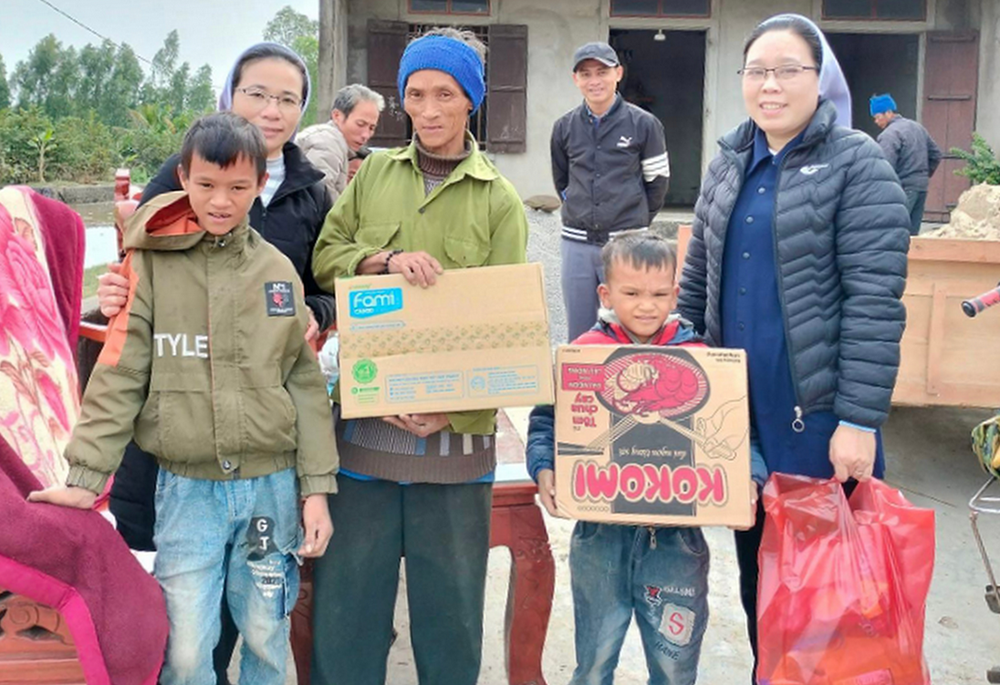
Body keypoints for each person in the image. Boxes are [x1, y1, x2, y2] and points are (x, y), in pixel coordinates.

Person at [29, 112, 339, 685]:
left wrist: (315, 491)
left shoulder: (277, 273)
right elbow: (120, 374)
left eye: (239, 187)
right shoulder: (149, 266)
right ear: (184, 177)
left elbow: (304, 385)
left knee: (268, 636)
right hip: (187, 494)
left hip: (270, 490)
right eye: (207, 185)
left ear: (259, 185)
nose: (221, 200)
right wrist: (85, 476)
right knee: (188, 646)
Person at [676, 14, 910, 683]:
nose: (769, 85)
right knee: (760, 576)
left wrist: (860, 421)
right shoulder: (728, 161)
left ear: (821, 78)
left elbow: (873, 301)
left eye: (788, 70)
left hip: (819, 419)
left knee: (830, 592)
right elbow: (697, 281)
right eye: (756, 71)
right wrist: (679, 365)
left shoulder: (857, 164)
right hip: (740, 415)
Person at [309, 27, 528, 685]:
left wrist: (452, 404)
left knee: (451, 621)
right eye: (416, 93)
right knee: (348, 617)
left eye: (445, 94)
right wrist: (381, 260)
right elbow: (327, 256)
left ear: (471, 102)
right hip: (365, 440)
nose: (428, 109)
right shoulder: (372, 173)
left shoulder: (499, 199)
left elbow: (505, 325)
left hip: (453, 452)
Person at [551, 41, 670, 341]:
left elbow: (656, 183)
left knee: (629, 325)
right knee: (579, 331)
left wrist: (633, 219)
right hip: (576, 242)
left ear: (618, 73)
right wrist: (581, 209)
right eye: (586, 74)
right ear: (575, 79)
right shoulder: (564, 127)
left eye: (602, 72)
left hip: (627, 243)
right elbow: (563, 180)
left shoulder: (644, 124)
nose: (594, 81)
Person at [298, 83, 385, 201]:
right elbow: (318, 197)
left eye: (371, 128)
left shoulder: (337, 145)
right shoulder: (327, 142)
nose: (366, 135)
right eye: (360, 124)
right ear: (337, 116)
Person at [870, 93, 942, 235]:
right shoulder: (917, 127)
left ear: (889, 112)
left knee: (892, 231)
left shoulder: (889, 135)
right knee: (912, 234)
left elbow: (885, 167)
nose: (876, 122)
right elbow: (936, 154)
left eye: (877, 117)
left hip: (902, 188)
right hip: (921, 187)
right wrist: (924, 175)